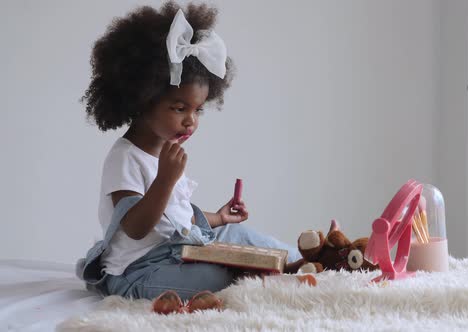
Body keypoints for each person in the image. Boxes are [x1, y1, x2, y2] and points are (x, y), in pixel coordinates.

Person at [76, 1, 301, 306]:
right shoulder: (124, 157)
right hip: (139, 269)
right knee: (221, 275)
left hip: (181, 248)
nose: (190, 120)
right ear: (143, 99)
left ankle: (305, 261)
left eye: (198, 110)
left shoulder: (166, 151)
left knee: (242, 238)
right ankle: (262, 280)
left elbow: (177, 219)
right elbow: (135, 228)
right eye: (179, 108)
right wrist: (165, 181)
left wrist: (218, 218)